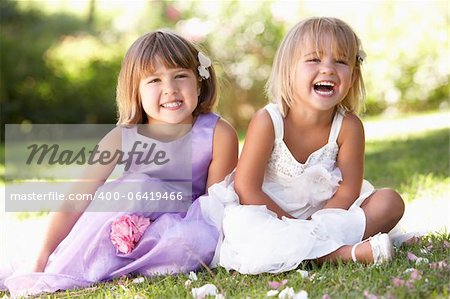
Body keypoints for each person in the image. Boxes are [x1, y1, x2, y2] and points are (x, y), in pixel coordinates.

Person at [1, 30, 238, 296]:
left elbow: (214, 208)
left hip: (177, 230)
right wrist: (42, 255)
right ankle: (102, 259)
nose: (170, 89)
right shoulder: (122, 138)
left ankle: (132, 261)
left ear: (199, 81)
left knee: (200, 239)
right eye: (154, 80)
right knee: (135, 189)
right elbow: (77, 198)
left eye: (180, 76)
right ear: (135, 90)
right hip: (123, 226)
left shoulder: (218, 133)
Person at [200, 17, 405, 274]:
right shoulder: (269, 121)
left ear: (352, 76)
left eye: (340, 61)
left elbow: (349, 190)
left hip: (327, 214)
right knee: (243, 225)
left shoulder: (349, 126)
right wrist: (292, 224)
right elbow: (246, 188)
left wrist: (316, 224)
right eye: (314, 59)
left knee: (390, 202)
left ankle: (308, 249)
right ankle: (341, 254)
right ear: (289, 71)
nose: (328, 69)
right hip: (270, 213)